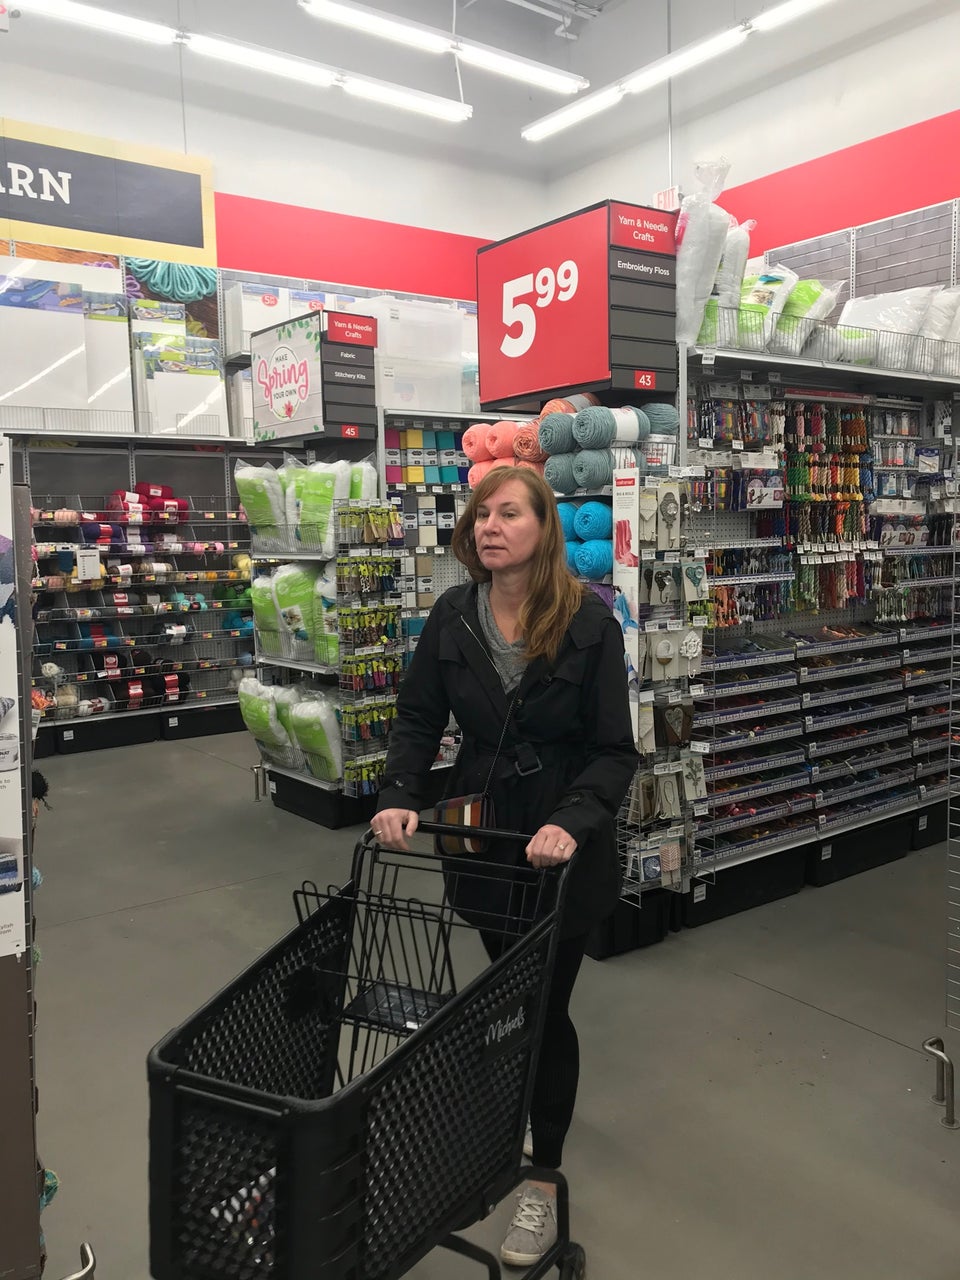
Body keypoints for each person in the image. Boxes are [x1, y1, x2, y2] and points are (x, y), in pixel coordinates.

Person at [374, 467, 638, 1268]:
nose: (490, 525)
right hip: (483, 839)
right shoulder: (453, 616)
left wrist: (571, 820)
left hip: (561, 851)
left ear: (544, 527)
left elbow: (613, 751)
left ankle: (543, 1180)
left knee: (544, 1008)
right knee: (510, 991)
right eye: (482, 513)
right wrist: (400, 794)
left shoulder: (589, 624)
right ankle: (517, 1111)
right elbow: (418, 718)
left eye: (510, 513)